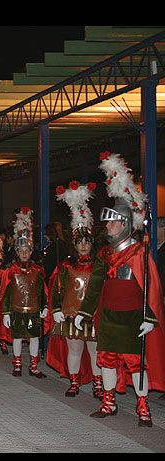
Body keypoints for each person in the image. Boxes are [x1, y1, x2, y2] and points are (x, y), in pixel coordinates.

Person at [75, 152, 165, 427]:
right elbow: (95, 287)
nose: (108, 225)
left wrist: (150, 318)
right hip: (110, 318)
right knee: (107, 361)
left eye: (113, 221)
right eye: (107, 222)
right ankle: (109, 401)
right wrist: (84, 311)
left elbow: (153, 288)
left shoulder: (140, 252)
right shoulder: (103, 254)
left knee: (137, 364)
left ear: (125, 224)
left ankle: (142, 406)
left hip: (133, 319)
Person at [47, 181, 102, 398]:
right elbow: (57, 289)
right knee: (75, 349)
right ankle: (74, 382)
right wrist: (56, 308)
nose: (83, 245)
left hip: (93, 315)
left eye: (86, 241)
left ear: (91, 243)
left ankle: (98, 384)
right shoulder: (66, 265)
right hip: (71, 314)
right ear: (74, 243)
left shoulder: (100, 265)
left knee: (95, 350)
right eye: (79, 242)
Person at [0, 207, 49, 378]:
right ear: (17, 253)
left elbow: (42, 291)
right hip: (17, 310)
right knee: (18, 338)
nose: (24, 253)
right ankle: (17, 364)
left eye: (27, 251)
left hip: (34, 311)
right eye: (21, 251)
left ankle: (33, 366)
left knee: (34, 338)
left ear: (31, 252)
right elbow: (6, 293)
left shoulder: (38, 270)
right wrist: (6, 313)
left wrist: (45, 306)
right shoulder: (11, 271)